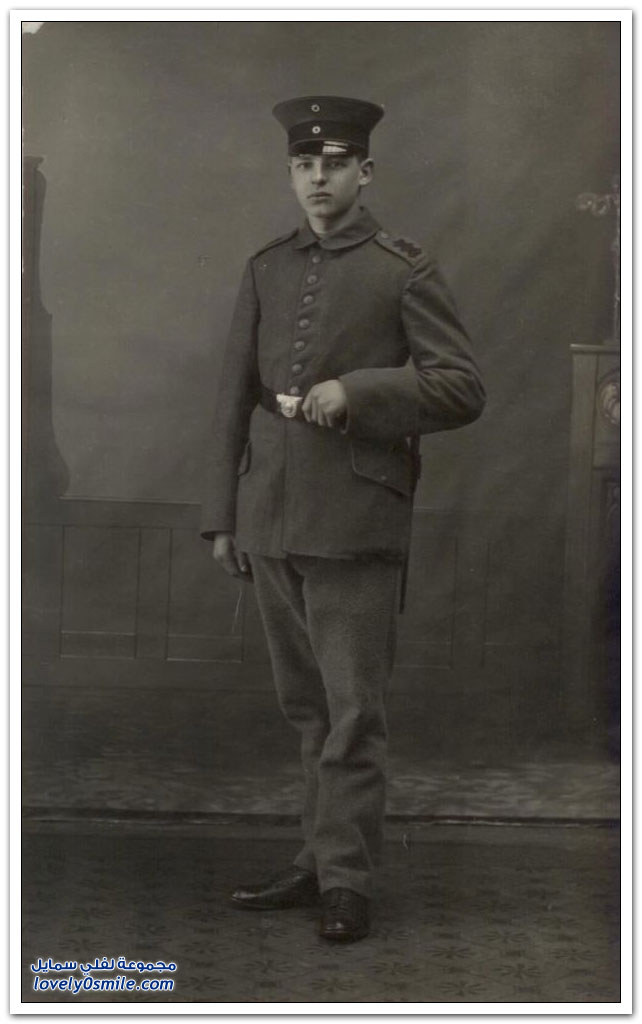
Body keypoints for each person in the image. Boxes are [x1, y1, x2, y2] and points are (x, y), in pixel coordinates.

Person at [201, 95, 485, 942]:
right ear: (291, 173)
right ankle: (317, 860)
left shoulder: (405, 268)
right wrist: (223, 515)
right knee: (308, 712)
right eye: (303, 165)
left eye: (333, 164)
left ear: (366, 171)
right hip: (271, 514)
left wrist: (356, 393)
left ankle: (348, 882)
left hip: (357, 518)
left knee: (354, 713)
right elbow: (232, 397)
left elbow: (461, 387)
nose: (317, 179)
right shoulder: (266, 266)